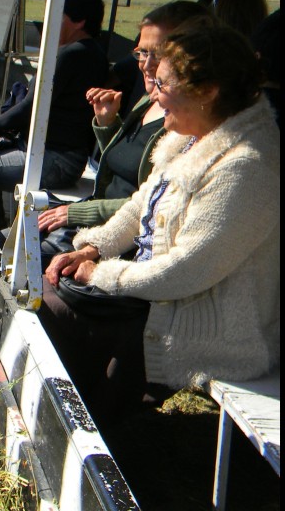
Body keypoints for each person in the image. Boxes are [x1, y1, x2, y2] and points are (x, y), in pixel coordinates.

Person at [39, 23, 279, 425]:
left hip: (210, 329)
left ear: (207, 91)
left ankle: (81, 429)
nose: (153, 93)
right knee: (46, 292)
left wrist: (101, 273)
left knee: (52, 308)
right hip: (156, 298)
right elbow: (141, 205)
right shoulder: (197, 134)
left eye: (164, 83)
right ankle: (77, 416)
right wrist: (92, 247)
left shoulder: (246, 166)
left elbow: (187, 270)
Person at [37, 0, 212, 259]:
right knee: (14, 238)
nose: (148, 64)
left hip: (120, 239)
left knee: (25, 255)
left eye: (160, 53)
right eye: (142, 53)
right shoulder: (149, 98)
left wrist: (75, 214)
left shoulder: (184, 122)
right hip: (97, 216)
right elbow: (121, 166)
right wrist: (108, 124)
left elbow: (151, 203)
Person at [0, 0, 109, 232]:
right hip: (63, 158)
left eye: (58, 17)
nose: (50, 24)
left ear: (79, 21)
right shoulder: (93, 53)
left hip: (54, 161)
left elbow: (34, 106)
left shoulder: (71, 55)